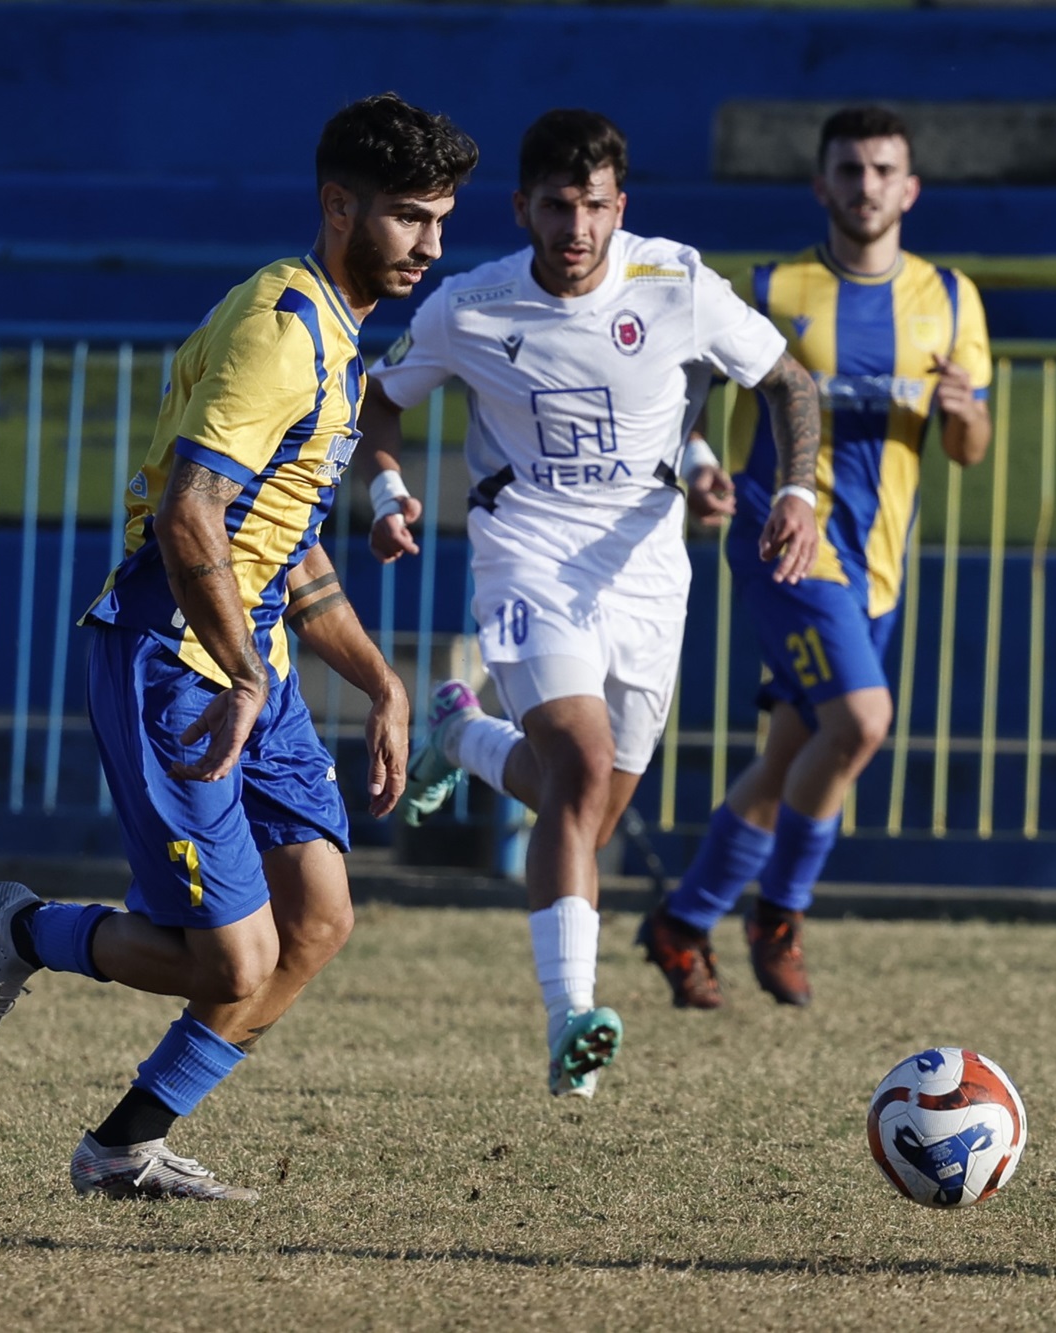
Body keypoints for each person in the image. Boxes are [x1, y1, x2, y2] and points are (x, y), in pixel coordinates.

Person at [0, 93, 479, 1200]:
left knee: (317, 922)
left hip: (248, 662)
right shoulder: (279, 331)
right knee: (232, 961)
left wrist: (377, 681)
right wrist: (240, 669)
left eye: (441, 219)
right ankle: (30, 929)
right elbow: (191, 518)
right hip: (173, 663)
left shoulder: (337, 335)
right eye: (411, 218)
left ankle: (120, 1148)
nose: (432, 244)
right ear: (340, 207)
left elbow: (283, 552)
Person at [358, 108, 822, 1098]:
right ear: (522, 207)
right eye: (559, 207)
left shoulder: (675, 284)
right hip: (524, 558)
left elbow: (785, 382)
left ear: (623, 208)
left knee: (589, 810)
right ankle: (573, 1014)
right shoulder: (468, 306)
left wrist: (795, 490)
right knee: (575, 766)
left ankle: (462, 735)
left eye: (596, 207)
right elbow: (380, 397)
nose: (577, 230)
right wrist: (385, 488)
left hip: (649, 577)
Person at [640, 105, 993, 1010]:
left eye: (883, 170)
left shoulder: (950, 299)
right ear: (820, 183)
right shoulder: (773, 288)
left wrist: (964, 414)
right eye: (849, 169)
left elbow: (970, 447)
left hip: (878, 565)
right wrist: (708, 468)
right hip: (784, 539)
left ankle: (685, 921)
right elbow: (691, 398)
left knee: (794, 751)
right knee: (863, 722)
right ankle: (780, 914)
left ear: (909, 188)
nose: (865, 186)